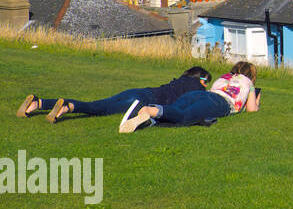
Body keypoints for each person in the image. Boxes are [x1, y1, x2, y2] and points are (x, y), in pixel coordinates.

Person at [16, 67, 212, 122]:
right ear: (200, 78)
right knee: (99, 110)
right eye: (206, 81)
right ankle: (69, 107)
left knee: (99, 103)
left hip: (140, 91)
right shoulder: (196, 87)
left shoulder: (179, 81)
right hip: (145, 101)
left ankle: (38, 102)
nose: (206, 85)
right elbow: (193, 106)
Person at [119, 62, 260, 133]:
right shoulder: (248, 83)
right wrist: (256, 98)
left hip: (202, 94)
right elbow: (252, 110)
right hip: (220, 102)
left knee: (174, 109)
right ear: (251, 76)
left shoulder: (225, 77)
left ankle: (149, 118)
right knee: (185, 117)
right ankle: (149, 110)